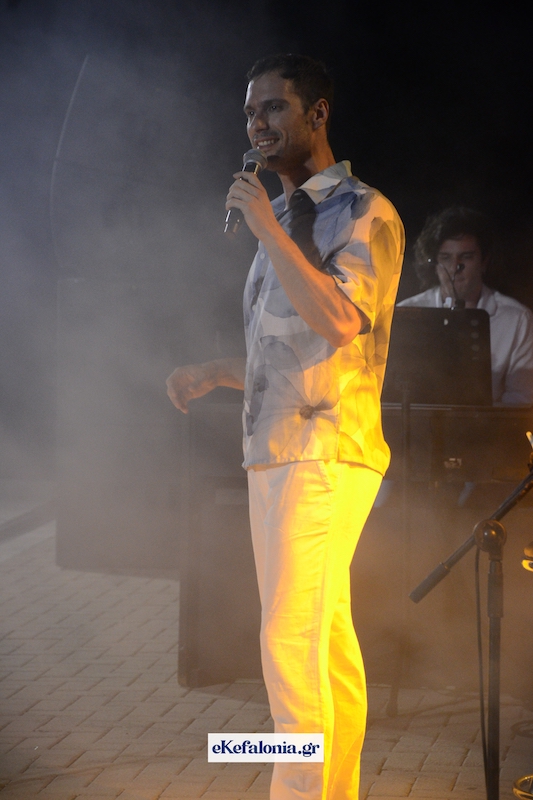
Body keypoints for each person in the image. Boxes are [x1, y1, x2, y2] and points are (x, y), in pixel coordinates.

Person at [166, 54, 404, 800]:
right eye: (248, 113)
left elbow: (340, 323)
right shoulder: (279, 222)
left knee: (288, 639)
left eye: (271, 108)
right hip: (277, 452)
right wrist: (216, 370)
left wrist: (268, 228)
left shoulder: (363, 211)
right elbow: (292, 351)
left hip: (324, 454)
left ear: (317, 114)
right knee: (322, 640)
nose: (256, 125)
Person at [398, 206, 533, 405]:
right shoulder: (406, 313)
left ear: (484, 262)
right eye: (446, 258)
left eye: (466, 257)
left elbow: (522, 398)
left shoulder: (517, 319)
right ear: (433, 264)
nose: (455, 267)